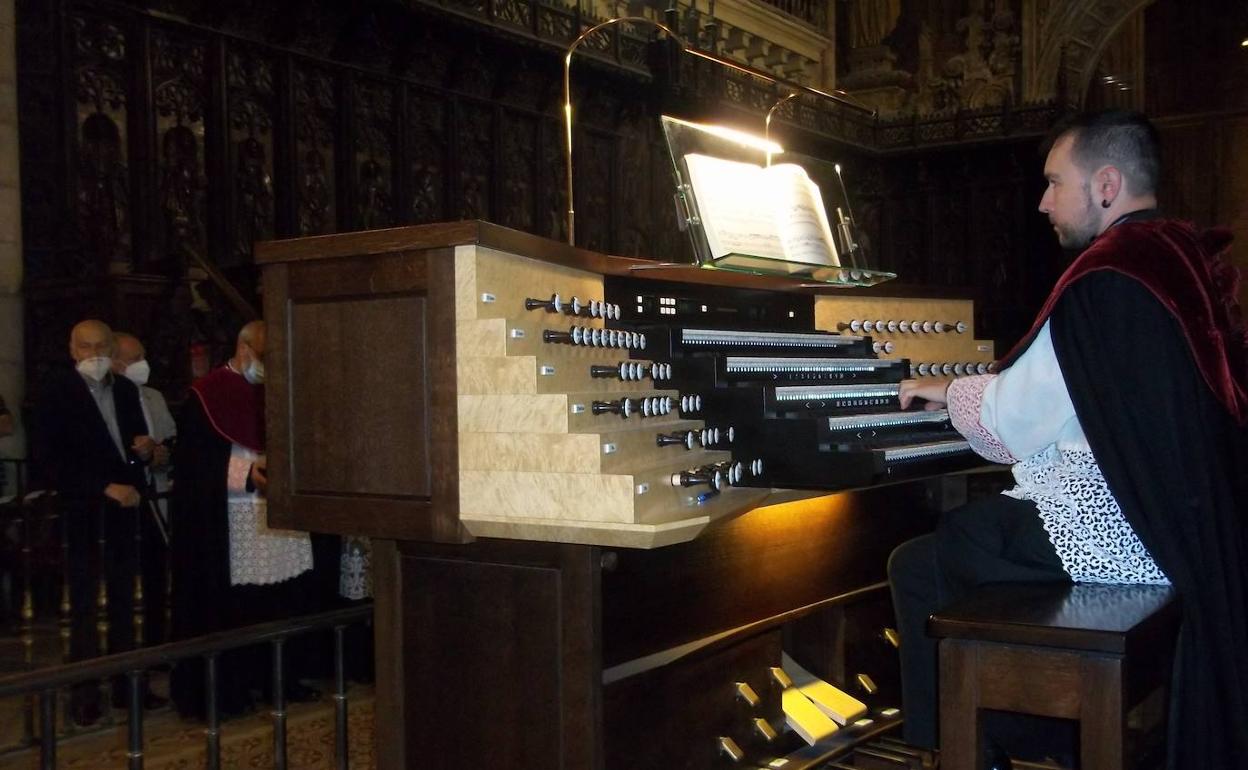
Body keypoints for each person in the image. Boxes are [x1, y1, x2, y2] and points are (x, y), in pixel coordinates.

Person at [888, 109, 1247, 769]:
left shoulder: (1107, 272)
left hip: (1131, 530)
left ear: (1105, 185)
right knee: (933, 556)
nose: (1042, 201)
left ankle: (992, 739)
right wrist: (973, 385)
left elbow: (1016, 422)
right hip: (1186, 527)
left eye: (1055, 182)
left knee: (957, 540)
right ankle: (1014, 731)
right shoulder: (1175, 255)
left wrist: (957, 392)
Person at [169, 320, 318, 718]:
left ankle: (281, 679)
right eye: (266, 356)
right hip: (233, 517)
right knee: (237, 606)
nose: (270, 365)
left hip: (278, 514)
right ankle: (232, 687)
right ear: (245, 348)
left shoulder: (278, 387)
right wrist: (245, 473)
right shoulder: (206, 394)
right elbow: (194, 463)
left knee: (281, 598)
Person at [32, 319, 157, 721]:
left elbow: (132, 446)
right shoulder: (55, 392)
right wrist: (102, 485)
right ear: (73, 351)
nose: (95, 355)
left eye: (102, 347)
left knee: (125, 600)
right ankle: (85, 694)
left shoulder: (123, 389)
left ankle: (126, 687)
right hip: (82, 509)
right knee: (84, 605)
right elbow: (48, 459)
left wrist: (144, 454)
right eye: (86, 348)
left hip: (123, 508)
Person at [112, 332, 176, 642]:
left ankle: (155, 640)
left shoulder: (154, 397)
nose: (142, 364)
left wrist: (163, 452)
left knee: (156, 572)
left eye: (142, 357)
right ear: (115, 362)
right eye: (134, 359)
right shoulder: (112, 397)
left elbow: (170, 439)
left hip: (156, 494)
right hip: (125, 496)